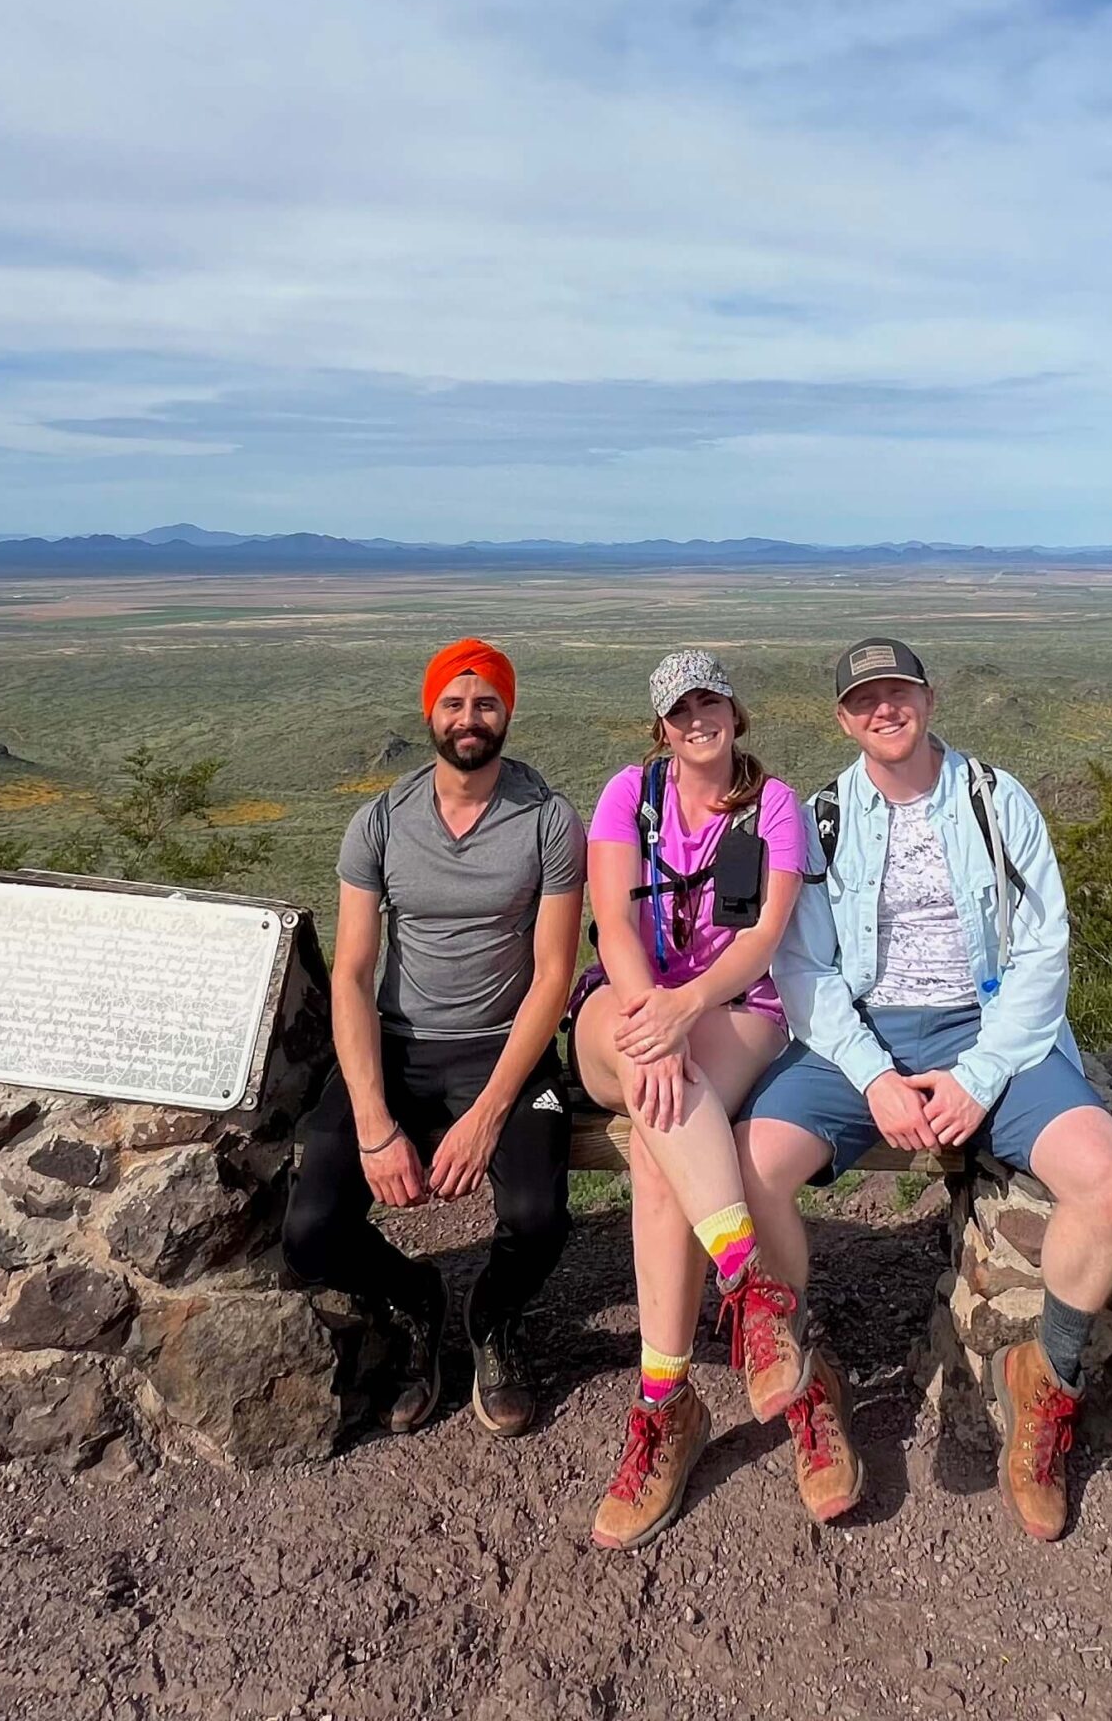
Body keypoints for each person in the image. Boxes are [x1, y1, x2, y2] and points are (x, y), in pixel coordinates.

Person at [740, 637, 1112, 1541]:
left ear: (929, 697)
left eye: (899, 692)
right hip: (865, 1034)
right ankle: (807, 1380)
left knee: (1107, 1180)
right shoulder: (825, 817)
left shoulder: (998, 801)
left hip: (992, 1027)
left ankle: (1049, 1385)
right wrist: (875, 1077)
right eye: (864, 700)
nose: (885, 710)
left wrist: (979, 1074)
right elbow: (803, 968)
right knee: (753, 1163)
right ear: (843, 719)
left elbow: (1044, 950)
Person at [282, 637, 587, 1437]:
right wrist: (376, 1123)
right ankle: (416, 1296)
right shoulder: (379, 822)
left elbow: (553, 973)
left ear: (507, 712)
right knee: (311, 1233)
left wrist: (487, 1113)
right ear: (430, 712)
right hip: (397, 1044)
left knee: (537, 1214)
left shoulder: (549, 821)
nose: (469, 717)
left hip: (505, 1046)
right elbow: (351, 974)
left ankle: (493, 1318)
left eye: (485, 702)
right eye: (454, 702)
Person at [572, 650, 813, 1551]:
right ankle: (752, 1290)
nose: (698, 716)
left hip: (731, 1006)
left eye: (711, 699)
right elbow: (614, 921)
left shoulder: (773, 806)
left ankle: (665, 1404)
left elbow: (761, 941)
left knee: (655, 1140)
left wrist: (686, 1008)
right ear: (662, 727)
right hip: (626, 1002)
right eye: (681, 708)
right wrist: (652, 1016)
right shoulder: (625, 796)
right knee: (651, 1075)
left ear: (735, 711)